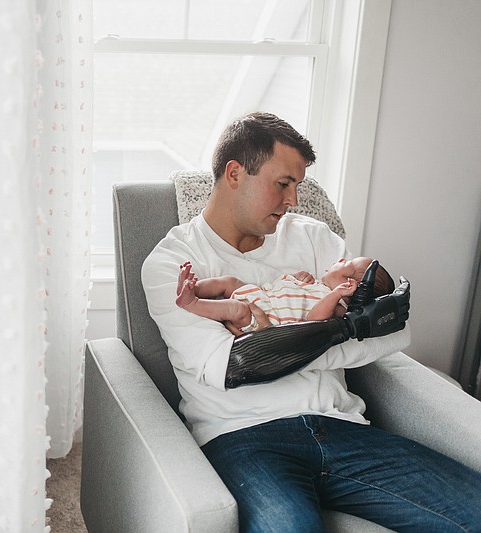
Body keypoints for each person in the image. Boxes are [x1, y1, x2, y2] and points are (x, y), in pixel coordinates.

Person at [141, 111, 481, 532]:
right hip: (245, 439)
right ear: (234, 174)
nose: (293, 201)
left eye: (298, 186)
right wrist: (343, 331)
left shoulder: (314, 239)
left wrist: (279, 343)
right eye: (283, 184)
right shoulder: (175, 265)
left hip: (342, 428)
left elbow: (392, 334)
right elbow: (234, 368)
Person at [175, 256, 394, 332]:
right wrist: (297, 279)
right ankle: (194, 287)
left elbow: (313, 318)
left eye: (345, 263)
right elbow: (288, 292)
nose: (338, 260)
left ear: (349, 284)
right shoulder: (315, 284)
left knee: (236, 309)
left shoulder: (337, 307)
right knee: (230, 282)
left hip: (266, 317)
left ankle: (192, 302)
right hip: (260, 295)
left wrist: (335, 294)